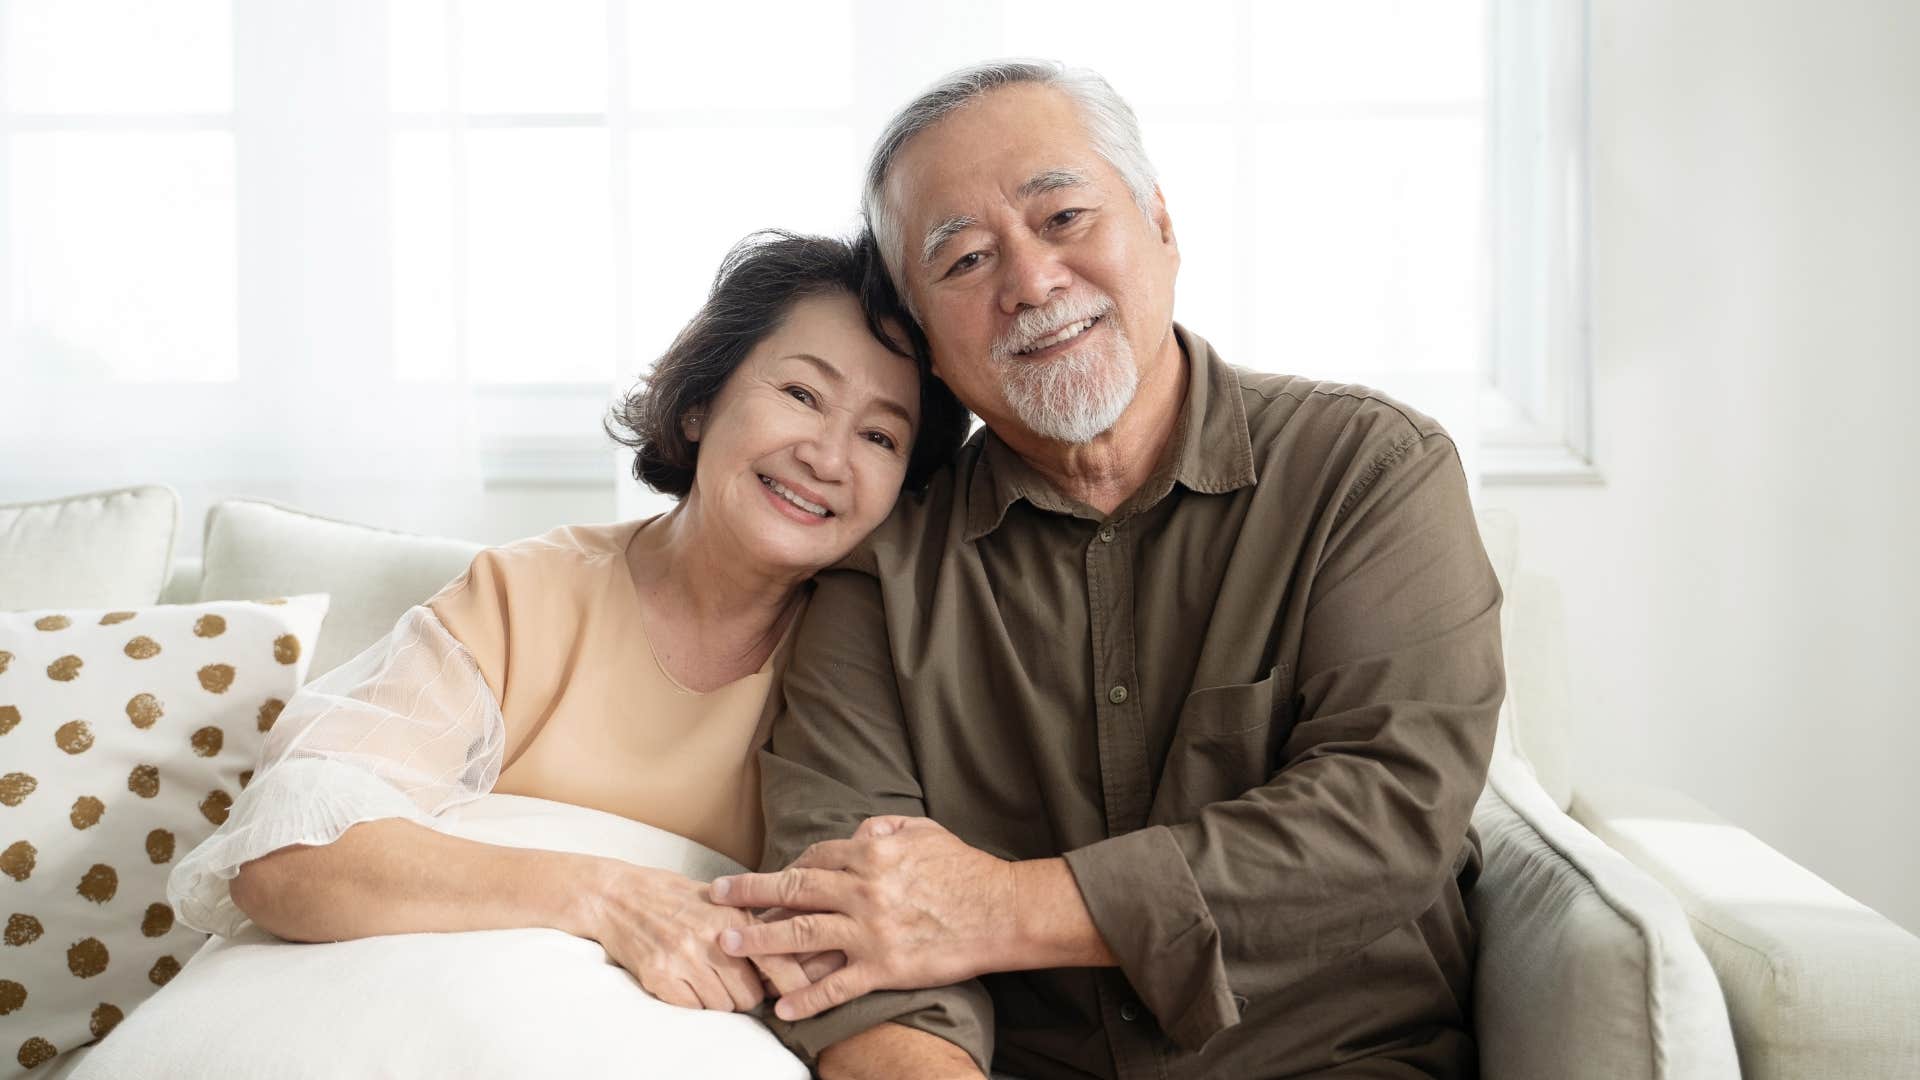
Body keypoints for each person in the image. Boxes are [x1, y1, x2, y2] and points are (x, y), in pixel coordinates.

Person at [707, 62, 1506, 1079]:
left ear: (1163, 227)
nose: (1032, 282)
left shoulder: (1369, 471)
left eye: (1065, 216)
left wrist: (999, 908)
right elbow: (846, 920)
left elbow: (1389, 812)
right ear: (928, 347)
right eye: (964, 261)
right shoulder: (881, 571)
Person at [162, 230, 969, 1012]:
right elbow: (288, 855)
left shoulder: (881, 661)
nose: (828, 457)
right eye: (801, 394)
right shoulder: (523, 597)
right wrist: (609, 898)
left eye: (878, 435)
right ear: (699, 403)